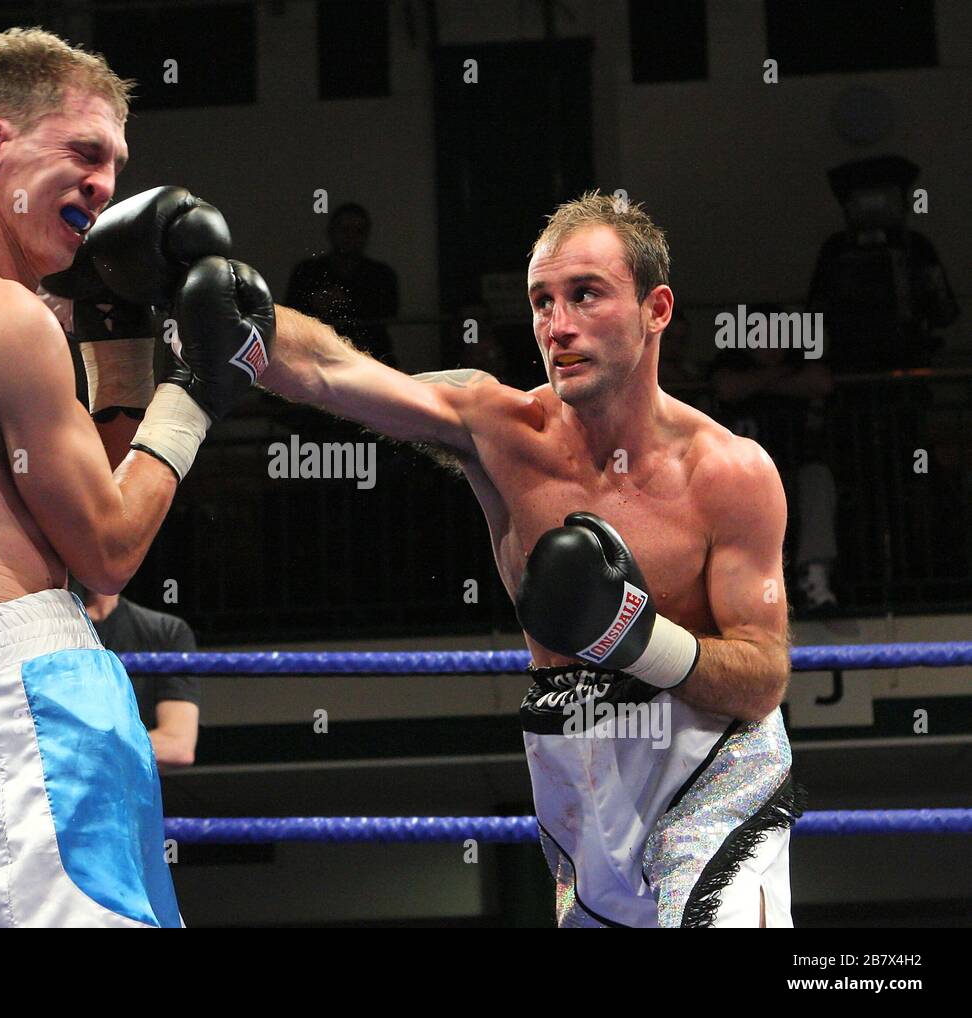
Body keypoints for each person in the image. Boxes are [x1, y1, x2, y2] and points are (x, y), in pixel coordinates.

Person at [260, 192, 801, 927]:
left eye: (585, 295)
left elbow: (763, 679)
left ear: (657, 309)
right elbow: (326, 369)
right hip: (577, 778)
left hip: (713, 769)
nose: (558, 326)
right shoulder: (500, 429)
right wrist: (225, 303)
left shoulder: (730, 473)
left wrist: (637, 640)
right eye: (543, 302)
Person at [0, 28, 273, 928]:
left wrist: (116, 330)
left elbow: (84, 514)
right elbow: (112, 552)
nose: (105, 184)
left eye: (115, 164)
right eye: (83, 152)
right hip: (24, 716)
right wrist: (197, 393)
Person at [710, 304, 839, 612]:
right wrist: (775, 379)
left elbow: (821, 382)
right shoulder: (731, 362)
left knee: (818, 479)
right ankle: (744, 590)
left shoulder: (800, 360)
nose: (769, 343)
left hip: (793, 469)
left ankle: (814, 580)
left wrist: (762, 381)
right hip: (740, 475)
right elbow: (727, 389)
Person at [74, 581, 200, 770]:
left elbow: (178, 745)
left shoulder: (165, 631)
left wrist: (79, 751)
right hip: (53, 789)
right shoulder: (38, 634)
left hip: (132, 789)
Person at [285, 203, 399, 366]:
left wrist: (343, 301)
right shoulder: (308, 271)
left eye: (358, 231)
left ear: (366, 235)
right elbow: (290, 312)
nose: (350, 236)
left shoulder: (381, 274)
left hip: (371, 355)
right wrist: (316, 303)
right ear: (331, 232)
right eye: (344, 229)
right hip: (316, 355)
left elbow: (389, 311)